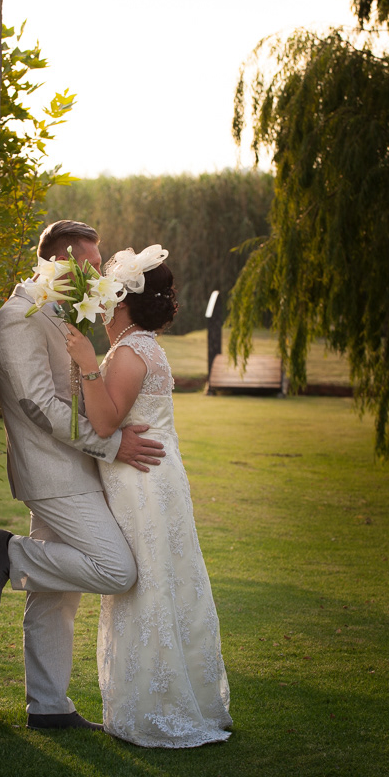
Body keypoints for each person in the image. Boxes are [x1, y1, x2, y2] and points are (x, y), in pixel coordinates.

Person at [0, 220, 166, 731]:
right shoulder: (18, 318)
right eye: (93, 265)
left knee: (55, 596)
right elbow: (37, 404)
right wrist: (111, 443)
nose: (99, 276)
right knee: (116, 570)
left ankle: (48, 707)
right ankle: (5, 553)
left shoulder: (55, 310)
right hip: (53, 474)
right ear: (62, 261)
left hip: (74, 467)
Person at [65, 247, 232, 747]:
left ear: (121, 302)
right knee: (161, 582)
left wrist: (86, 364)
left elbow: (105, 422)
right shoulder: (141, 345)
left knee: (148, 586)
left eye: (106, 295)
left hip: (143, 485)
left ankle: (156, 709)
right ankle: (166, 699)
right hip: (150, 479)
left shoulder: (129, 351)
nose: (99, 303)